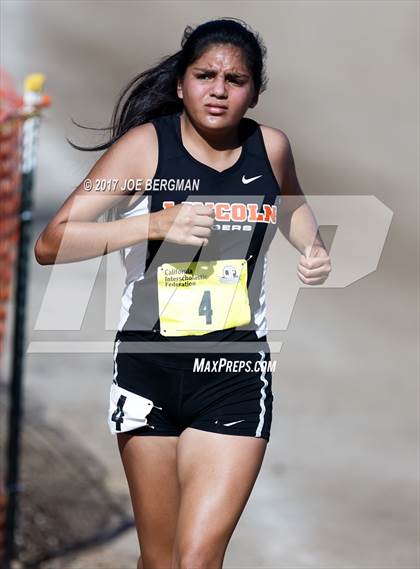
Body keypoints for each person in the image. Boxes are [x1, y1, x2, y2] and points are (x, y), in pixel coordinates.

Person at [34, 17, 331, 569]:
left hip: (235, 373)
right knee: (161, 558)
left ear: (254, 91)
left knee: (196, 558)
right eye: (205, 75)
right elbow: (52, 242)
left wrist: (313, 246)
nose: (218, 90)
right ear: (180, 83)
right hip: (148, 368)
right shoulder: (142, 151)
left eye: (235, 80)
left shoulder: (271, 147)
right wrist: (151, 224)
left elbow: (293, 203)